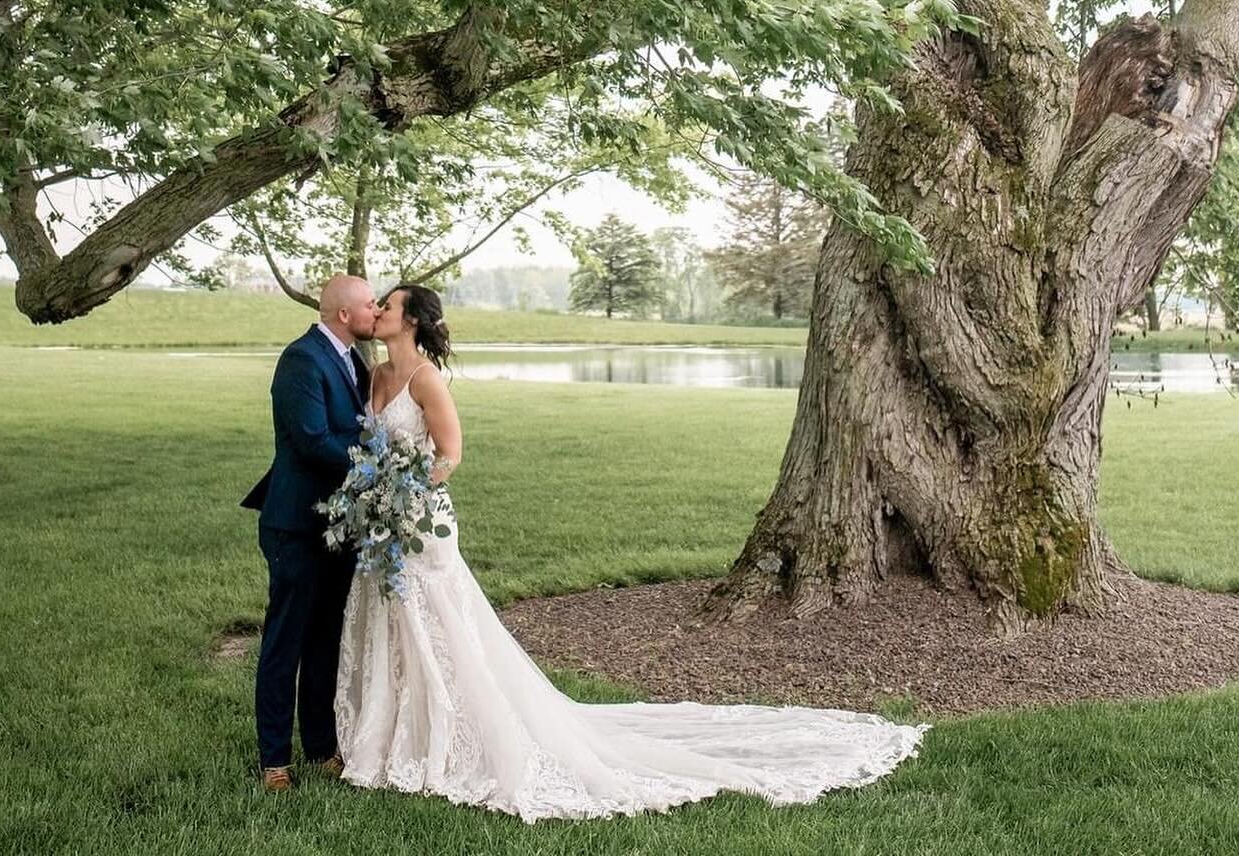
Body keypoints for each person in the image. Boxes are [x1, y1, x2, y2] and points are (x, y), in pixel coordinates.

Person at [334, 284, 925, 822]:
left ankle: (457, 736)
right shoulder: (377, 376)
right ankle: (393, 737)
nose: (378, 312)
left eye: (387, 305)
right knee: (393, 625)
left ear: (410, 321)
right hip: (383, 527)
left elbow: (450, 454)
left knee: (441, 626)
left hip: (420, 524)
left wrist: (403, 493)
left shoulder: (426, 381)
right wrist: (376, 494)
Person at [242, 273, 375, 791]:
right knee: (286, 644)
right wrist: (380, 460)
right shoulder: (301, 359)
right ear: (344, 315)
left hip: (338, 527)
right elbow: (313, 441)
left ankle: (321, 747)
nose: (375, 310)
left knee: (325, 642)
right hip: (296, 525)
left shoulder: (352, 360)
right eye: (368, 304)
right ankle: (274, 762)